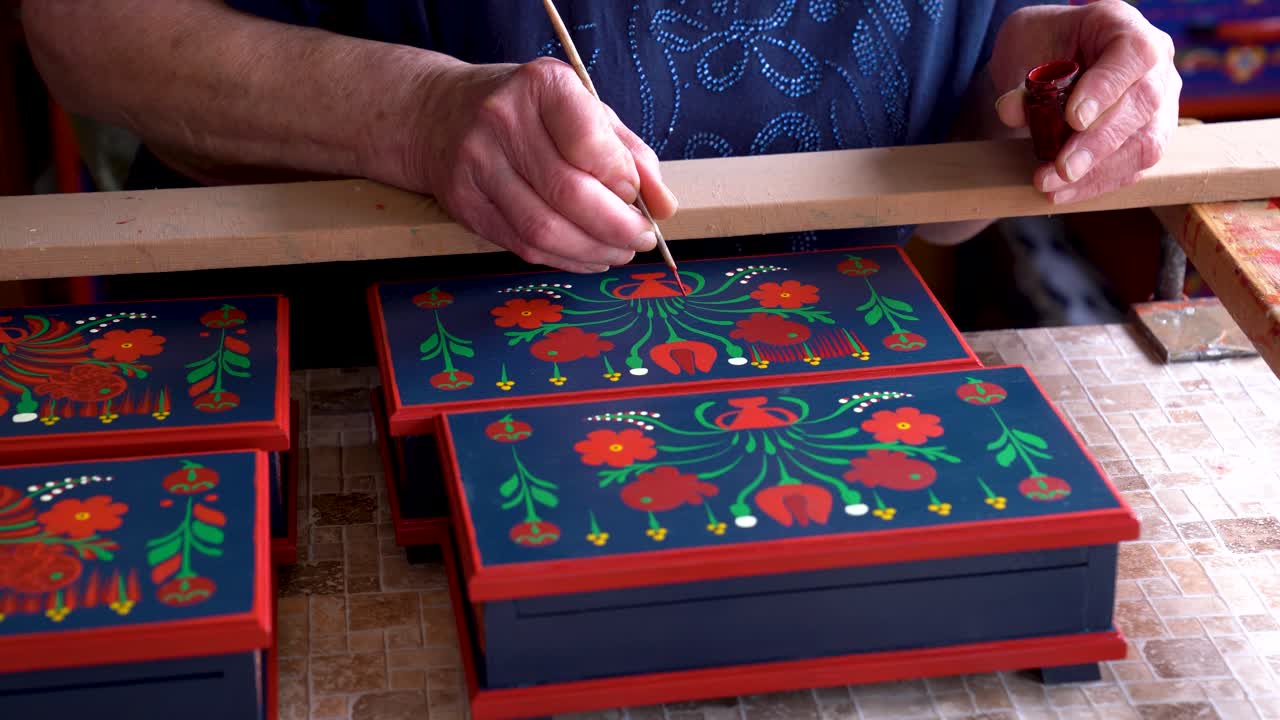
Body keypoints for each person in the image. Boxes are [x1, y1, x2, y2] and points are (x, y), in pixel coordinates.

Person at [19, 1, 1180, 365]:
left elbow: (963, 100)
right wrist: (414, 115)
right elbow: (86, 27)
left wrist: (1037, 82)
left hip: (822, 387)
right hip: (352, 383)